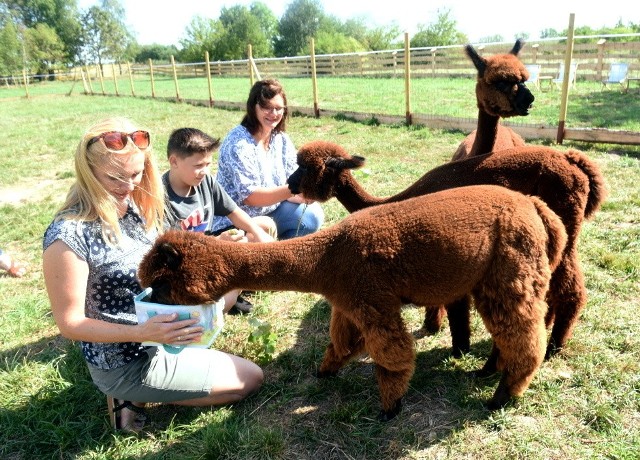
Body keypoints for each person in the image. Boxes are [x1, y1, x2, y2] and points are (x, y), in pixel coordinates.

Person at [42, 117, 263, 433]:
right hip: (126, 358)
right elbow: (70, 324)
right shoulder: (69, 236)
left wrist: (216, 245)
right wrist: (145, 331)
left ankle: (151, 387)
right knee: (250, 380)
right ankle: (125, 394)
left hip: (161, 329)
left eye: (136, 174)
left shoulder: (135, 204)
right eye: (117, 177)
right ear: (87, 172)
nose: (129, 186)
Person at [163, 127, 276, 314]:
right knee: (228, 290)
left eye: (208, 164)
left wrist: (259, 235)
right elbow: (171, 256)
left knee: (264, 225)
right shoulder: (161, 199)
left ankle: (236, 286)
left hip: (210, 250)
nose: (205, 171)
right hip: (186, 268)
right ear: (174, 161)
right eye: (198, 166)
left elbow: (234, 211)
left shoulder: (205, 181)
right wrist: (217, 244)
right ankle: (228, 295)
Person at [212, 78, 324, 239]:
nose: (274, 114)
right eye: (267, 108)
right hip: (237, 221)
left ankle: (281, 254)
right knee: (261, 229)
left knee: (312, 216)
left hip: (271, 209)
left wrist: (305, 194)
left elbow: (293, 177)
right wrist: (295, 189)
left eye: (279, 108)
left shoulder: (280, 138)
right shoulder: (238, 143)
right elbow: (251, 197)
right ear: (253, 107)